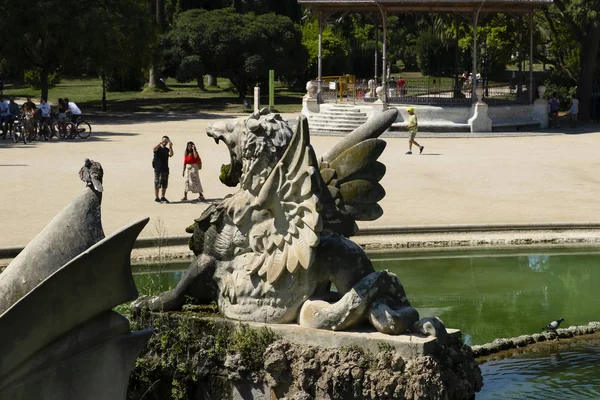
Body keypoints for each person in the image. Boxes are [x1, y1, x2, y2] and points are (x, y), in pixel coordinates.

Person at [153, 135, 174, 203]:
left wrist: (170, 147)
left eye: (166, 141)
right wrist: (160, 143)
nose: (165, 142)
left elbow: (171, 154)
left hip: (165, 169)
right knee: (157, 183)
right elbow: (154, 149)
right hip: (158, 169)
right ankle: (156, 197)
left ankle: (163, 196)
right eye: (164, 140)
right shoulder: (158, 148)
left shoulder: (167, 149)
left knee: (164, 183)